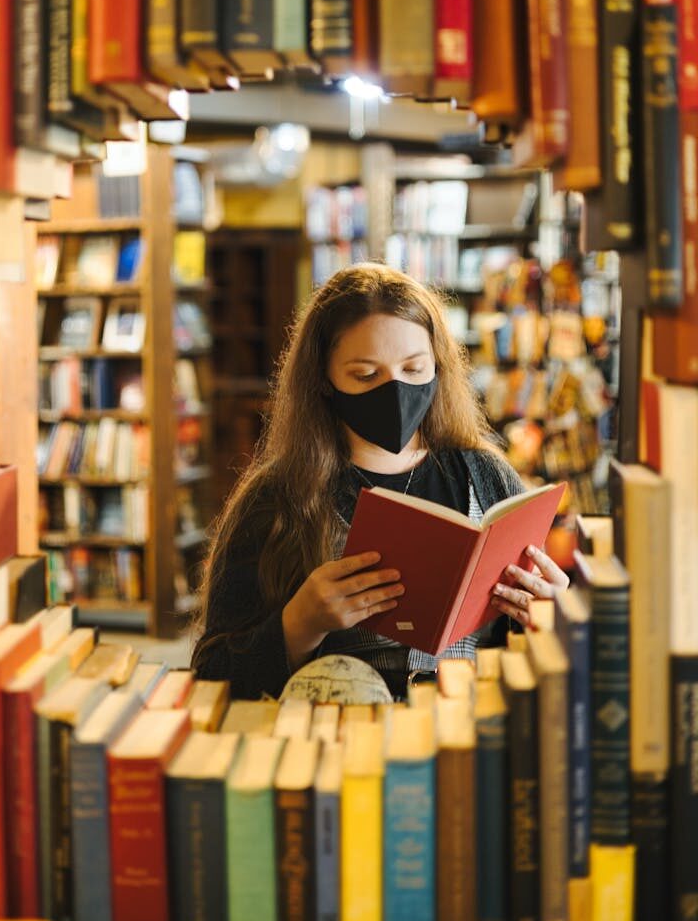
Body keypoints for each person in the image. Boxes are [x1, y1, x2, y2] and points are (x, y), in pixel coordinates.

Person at [192, 263, 568, 700]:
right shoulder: (276, 498)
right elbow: (212, 675)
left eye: (413, 369)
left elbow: (535, 652)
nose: (396, 392)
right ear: (323, 379)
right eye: (366, 375)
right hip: (331, 744)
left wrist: (556, 612)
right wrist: (299, 624)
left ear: (439, 367)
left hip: (464, 736)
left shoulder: (485, 475)